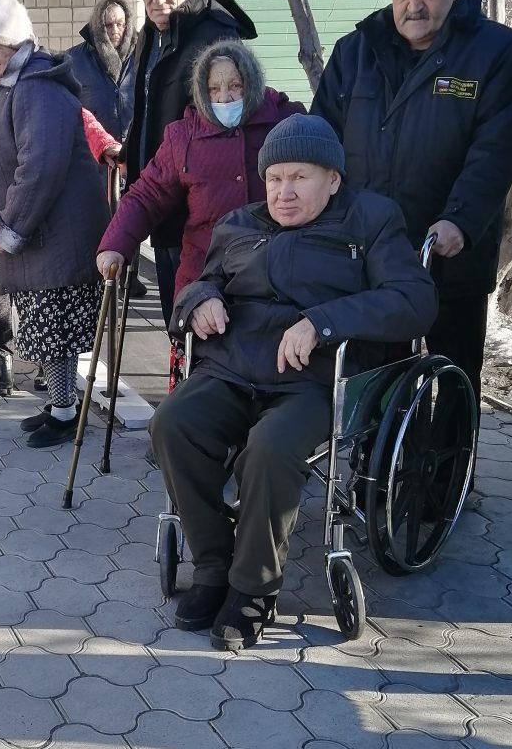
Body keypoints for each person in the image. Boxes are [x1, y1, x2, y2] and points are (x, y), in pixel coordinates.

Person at [151, 114, 437, 651]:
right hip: (232, 369)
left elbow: (414, 301)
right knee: (172, 424)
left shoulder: (371, 221)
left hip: (316, 382)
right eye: (275, 178)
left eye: (299, 178)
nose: (284, 193)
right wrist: (199, 300)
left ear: (332, 178)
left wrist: (324, 322)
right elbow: (201, 280)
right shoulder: (239, 223)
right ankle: (214, 563)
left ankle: (253, 586)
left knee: (269, 448)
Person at [311, 0, 512, 412]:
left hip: (445, 256)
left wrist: (461, 217)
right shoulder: (356, 52)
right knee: (369, 385)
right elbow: (320, 139)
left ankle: (447, 480)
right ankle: (374, 482)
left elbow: (495, 151)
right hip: (366, 257)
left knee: (452, 382)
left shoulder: (499, 54)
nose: (414, 4)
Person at [0, 0, 111, 447]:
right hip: (44, 235)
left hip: (60, 235)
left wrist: (9, 228)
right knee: (49, 330)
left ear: (20, 44)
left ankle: (65, 413)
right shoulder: (7, 89)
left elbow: (39, 167)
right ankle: (62, 405)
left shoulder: (36, 87)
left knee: (55, 328)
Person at [124, 0, 257, 325]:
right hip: (164, 198)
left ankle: (189, 386)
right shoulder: (152, 35)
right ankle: (179, 385)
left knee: (200, 322)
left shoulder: (215, 35)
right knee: (176, 319)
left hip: (201, 210)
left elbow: (227, 125)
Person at [97, 41, 303, 297]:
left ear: (251, 83)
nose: (224, 97)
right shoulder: (184, 135)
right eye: (213, 89)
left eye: (235, 86)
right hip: (205, 277)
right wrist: (116, 244)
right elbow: (148, 195)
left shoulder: (284, 123)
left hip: (275, 276)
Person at [67, 0, 137, 143]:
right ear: (98, 27)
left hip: (134, 153)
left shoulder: (143, 54)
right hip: (92, 154)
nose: (115, 30)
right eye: (108, 25)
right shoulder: (74, 60)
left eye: (120, 24)